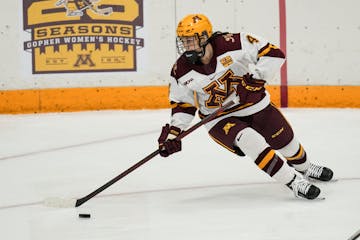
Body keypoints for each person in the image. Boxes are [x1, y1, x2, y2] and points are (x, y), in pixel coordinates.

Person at [157, 13, 333, 200]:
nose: (186, 46)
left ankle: (305, 168)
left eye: (190, 40)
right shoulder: (180, 69)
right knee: (249, 140)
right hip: (219, 117)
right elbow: (183, 105)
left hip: (254, 104)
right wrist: (173, 134)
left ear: (204, 37)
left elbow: (274, 54)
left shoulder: (233, 43)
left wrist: (254, 80)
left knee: (287, 143)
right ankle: (293, 182)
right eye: (183, 41)